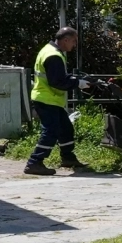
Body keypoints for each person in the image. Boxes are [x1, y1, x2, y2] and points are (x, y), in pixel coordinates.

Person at [24, 27, 91, 175]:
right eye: (74, 41)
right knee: (51, 131)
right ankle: (34, 162)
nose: (74, 45)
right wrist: (77, 83)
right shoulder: (54, 56)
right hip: (47, 99)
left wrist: (74, 80)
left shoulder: (49, 50)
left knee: (66, 128)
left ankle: (68, 158)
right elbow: (57, 81)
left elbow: (57, 77)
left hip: (49, 99)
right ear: (65, 40)